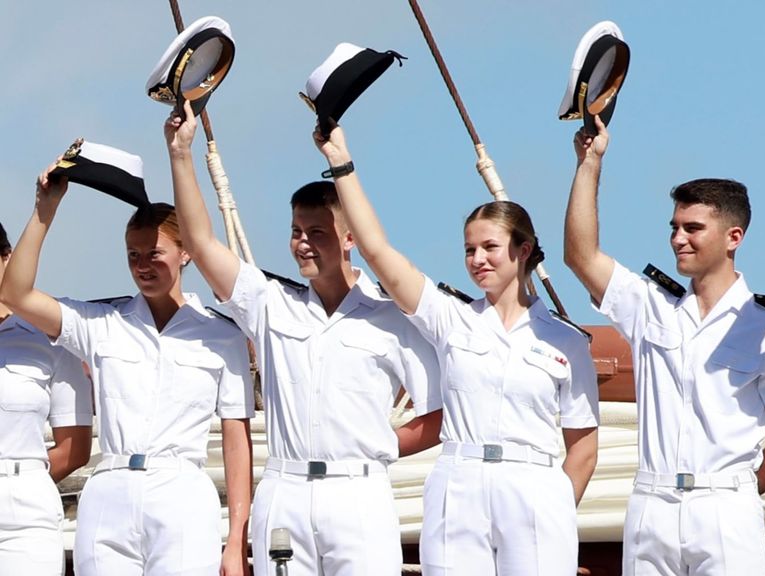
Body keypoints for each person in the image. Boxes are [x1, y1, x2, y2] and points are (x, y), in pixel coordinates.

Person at [307, 116, 599, 576]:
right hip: (458, 485)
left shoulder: (566, 342)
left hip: (536, 487)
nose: (477, 260)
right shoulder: (451, 320)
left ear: (523, 251)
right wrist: (342, 165)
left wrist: (558, 506)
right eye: (469, 250)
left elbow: (583, 445)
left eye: (490, 247)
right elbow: (378, 252)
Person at [164, 102, 443, 576]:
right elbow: (203, 243)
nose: (303, 243)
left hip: (359, 495)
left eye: (317, 231)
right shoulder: (269, 303)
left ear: (349, 237)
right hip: (284, 494)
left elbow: (438, 414)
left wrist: (378, 445)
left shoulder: (392, 319)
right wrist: (180, 154)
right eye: (296, 232)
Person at [565, 116, 765, 576]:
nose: (678, 238)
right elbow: (581, 257)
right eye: (675, 226)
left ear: (733, 238)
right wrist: (589, 163)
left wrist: (738, 489)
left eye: (693, 228)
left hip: (726, 509)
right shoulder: (650, 306)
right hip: (651, 504)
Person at [0, 171, 254, 576]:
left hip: (182, 493)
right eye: (132, 255)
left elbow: (236, 440)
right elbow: (15, 293)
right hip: (109, 494)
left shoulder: (223, 336)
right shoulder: (101, 323)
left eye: (154, 253)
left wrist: (238, 537)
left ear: (185, 251)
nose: (142, 266)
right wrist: (44, 210)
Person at [0, 220, 92, 575]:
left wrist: (23, 477)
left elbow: (75, 449)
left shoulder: (50, 339)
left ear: (7, 257)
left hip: (28, 511)